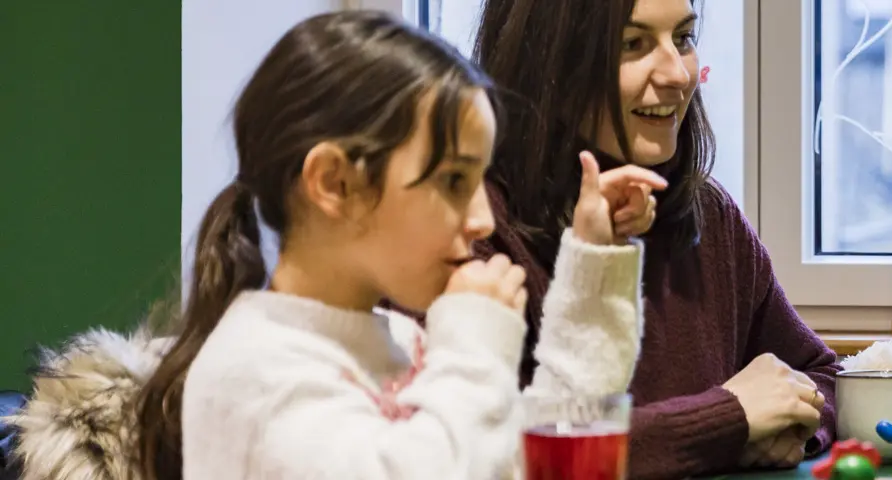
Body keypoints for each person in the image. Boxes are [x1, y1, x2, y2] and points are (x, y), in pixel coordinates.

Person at [101, 11, 650, 479]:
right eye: (454, 182)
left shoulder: (406, 342)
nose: (483, 220)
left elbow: (541, 443)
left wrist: (593, 263)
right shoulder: (251, 373)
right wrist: (475, 347)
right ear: (336, 184)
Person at [464, 0, 839, 477]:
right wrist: (727, 420)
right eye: (632, 44)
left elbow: (821, 376)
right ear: (548, 63)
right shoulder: (472, 231)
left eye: (682, 38)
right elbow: (503, 455)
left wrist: (790, 427)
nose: (678, 74)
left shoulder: (710, 213)